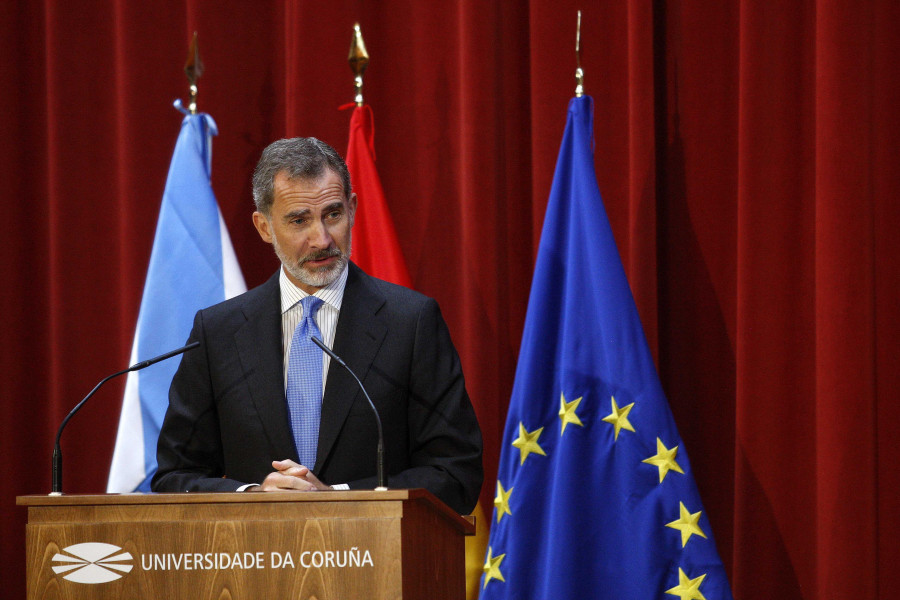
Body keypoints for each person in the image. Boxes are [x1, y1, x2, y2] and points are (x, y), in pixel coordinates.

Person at [152, 137, 483, 514]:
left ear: (353, 209)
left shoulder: (411, 323)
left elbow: (456, 473)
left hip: (376, 562)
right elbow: (174, 478)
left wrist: (336, 497)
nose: (322, 239)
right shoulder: (219, 333)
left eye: (333, 214)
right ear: (264, 227)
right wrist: (251, 496)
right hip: (254, 564)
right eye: (299, 221)